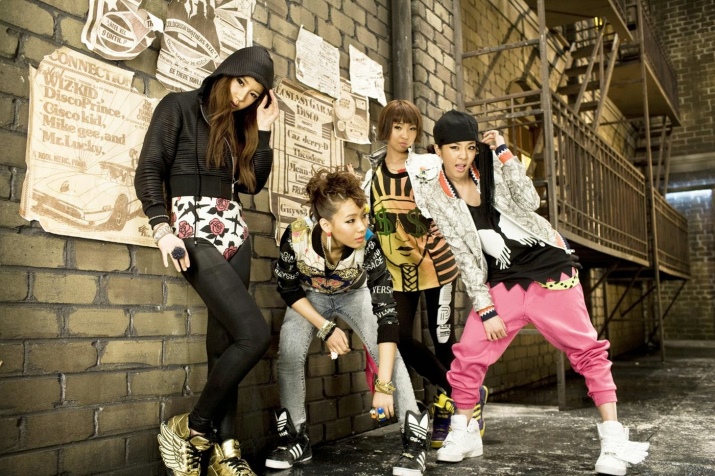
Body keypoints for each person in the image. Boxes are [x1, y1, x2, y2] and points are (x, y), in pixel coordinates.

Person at [407, 110, 650, 475]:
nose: (463, 156)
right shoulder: (435, 193)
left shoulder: (489, 166)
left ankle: (613, 440)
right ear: (438, 149)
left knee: (586, 350)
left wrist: (505, 154)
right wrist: (486, 309)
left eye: (469, 147)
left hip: (548, 267)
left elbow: (530, 201)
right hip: (503, 281)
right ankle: (463, 432)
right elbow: (463, 255)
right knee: (469, 353)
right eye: (454, 148)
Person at [134, 45, 279, 476]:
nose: (242, 97)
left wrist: (263, 132)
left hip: (235, 232)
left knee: (226, 345)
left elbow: (251, 185)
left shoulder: (241, 125)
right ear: (226, 74)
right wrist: (161, 229)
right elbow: (149, 168)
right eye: (241, 84)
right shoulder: (178, 106)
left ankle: (226, 452)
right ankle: (193, 427)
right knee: (254, 335)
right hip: (191, 231)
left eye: (253, 94)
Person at [266, 169, 430, 476]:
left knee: (387, 354)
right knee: (289, 350)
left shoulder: (369, 243)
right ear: (326, 225)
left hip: (355, 294)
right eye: (351, 220)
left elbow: (387, 317)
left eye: (363, 216)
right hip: (310, 297)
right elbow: (287, 289)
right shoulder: (297, 236)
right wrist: (325, 327)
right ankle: (295, 439)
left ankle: (415, 442)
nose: (362, 227)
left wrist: (383, 385)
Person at [361, 100, 488, 448]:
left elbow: (463, 181)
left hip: (437, 265)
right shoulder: (372, 176)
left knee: (442, 336)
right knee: (398, 337)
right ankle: (461, 393)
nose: (405, 135)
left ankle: (458, 412)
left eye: (412, 128)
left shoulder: (428, 166)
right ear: (385, 129)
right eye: (397, 127)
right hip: (397, 270)